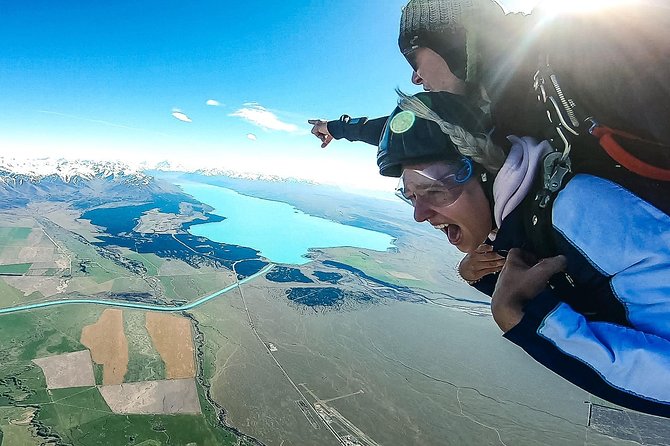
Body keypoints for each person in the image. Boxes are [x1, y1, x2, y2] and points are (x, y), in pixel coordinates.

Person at [377, 90, 670, 417]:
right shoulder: (528, 216)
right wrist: (488, 277)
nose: (420, 214)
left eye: (435, 190)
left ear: (484, 172)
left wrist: (522, 318)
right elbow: (589, 287)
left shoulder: (584, 211)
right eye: (411, 195)